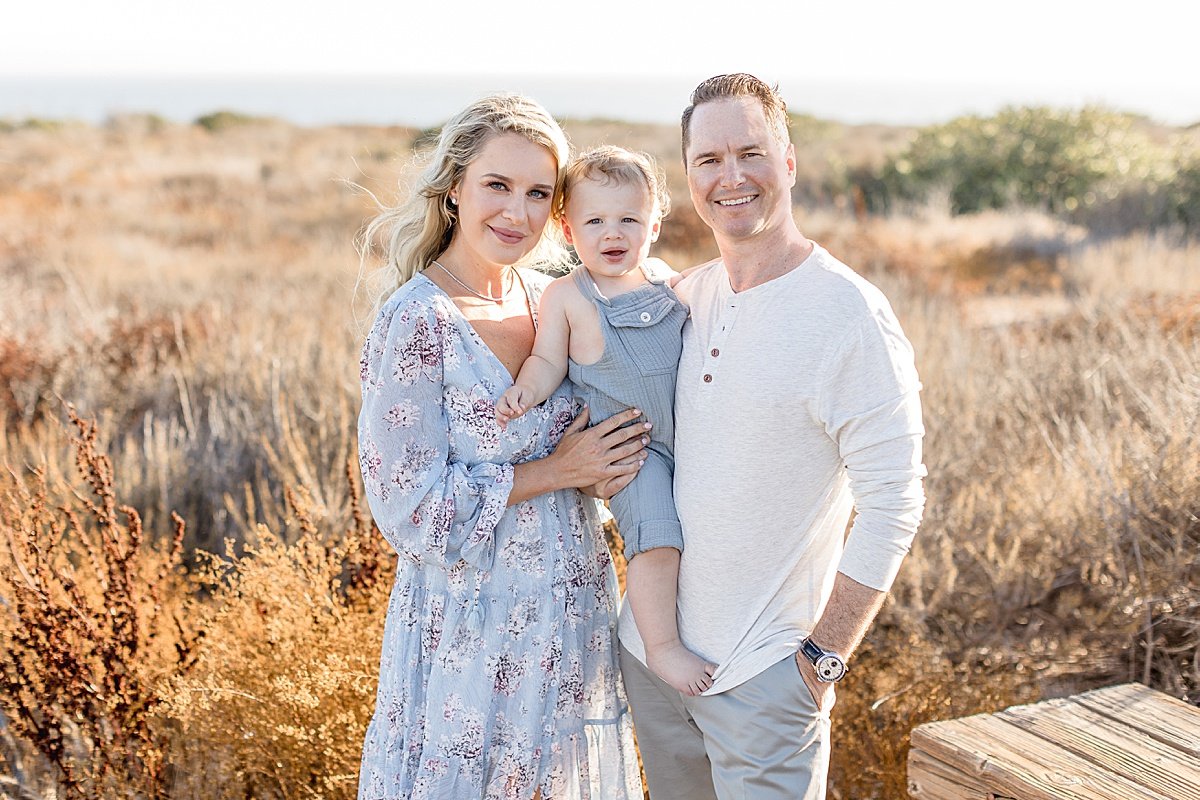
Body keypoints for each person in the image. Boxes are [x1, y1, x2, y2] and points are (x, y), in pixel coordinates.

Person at [617, 74, 927, 800]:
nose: (731, 177)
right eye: (709, 160)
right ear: (689, 177)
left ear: (788, 161)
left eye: (750, 153)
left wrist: (821, 661)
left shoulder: (847, 314)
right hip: (654, 666)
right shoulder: (685, 296)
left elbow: (894, 504)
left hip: (764, 681)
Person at [355, 94, 645, 800]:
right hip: (469, 637)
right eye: (497, 186)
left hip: (571, 615)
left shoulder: (560, 299)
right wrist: (556, 471)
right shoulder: (415, 321)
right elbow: (408, 511)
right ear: (455, 187)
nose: (517, 213)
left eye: (538, 193)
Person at [495, 146, 715, 697]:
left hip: (691, 436)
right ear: (568, 229)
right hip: (633, 452)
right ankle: (662, 647)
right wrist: (527, 388)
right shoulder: (568, 296)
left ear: (655, 226)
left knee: (711, 532)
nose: (611, 233)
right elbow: (548, 359)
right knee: (657, 540)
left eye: (628, 220)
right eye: (594, 221)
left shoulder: (663, 280)